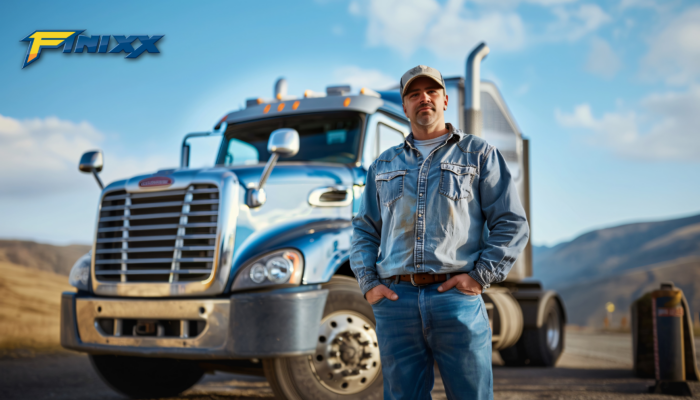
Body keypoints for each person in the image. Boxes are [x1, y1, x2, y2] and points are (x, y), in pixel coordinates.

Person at [350, 65, 529, 400]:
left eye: (431, 92)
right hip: (396, 302)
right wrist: (369, 284)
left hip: (455, 299)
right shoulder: (383, 165)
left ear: (445, 99)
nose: (424, 99)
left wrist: (478, 277)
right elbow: (364, 229)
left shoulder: (479, 154)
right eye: (414, 94)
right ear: (404, 106)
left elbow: (511, 222)